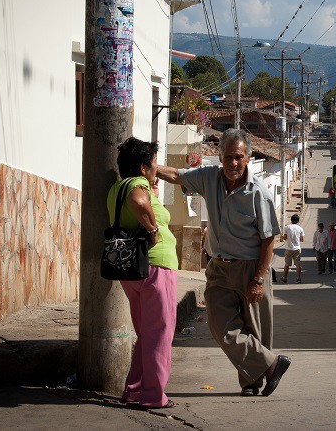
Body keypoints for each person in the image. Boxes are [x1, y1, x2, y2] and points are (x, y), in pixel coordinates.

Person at [156, 129, 291, 397]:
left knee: (254, 327)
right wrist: (148, 166)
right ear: (219, 158)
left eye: (238, 157)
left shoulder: (258, 193)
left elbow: (268, 240)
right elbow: (176, 175)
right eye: (228, 157)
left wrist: (258, 279)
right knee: (220, 325)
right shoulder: (208, 179)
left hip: (250, 267)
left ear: (248, 158)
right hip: (218, 267)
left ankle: (251, 383)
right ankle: (272, 364)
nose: (232, 163)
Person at [109, 137, 178, 409]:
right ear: (142, 167)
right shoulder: (137, 186)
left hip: (131, 270)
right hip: (155, 267)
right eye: (152, 164)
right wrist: (153, 231)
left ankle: (135, 390)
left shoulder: (118, 187)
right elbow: (139, 200)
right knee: (160, 334)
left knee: (146, 335)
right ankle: (153, 396)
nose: (156, 169)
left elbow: (138, 201)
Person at [281, 214, 305, 284]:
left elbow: (285, 238)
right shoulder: (300, 228)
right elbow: (302, 239)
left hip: (289, 248)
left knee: (287, 264)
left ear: (291, 220)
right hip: (297, 248)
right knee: (298, 264)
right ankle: (298, 278)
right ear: (298, 221)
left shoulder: (287, 227)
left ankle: (284, 278)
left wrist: (281, 237)